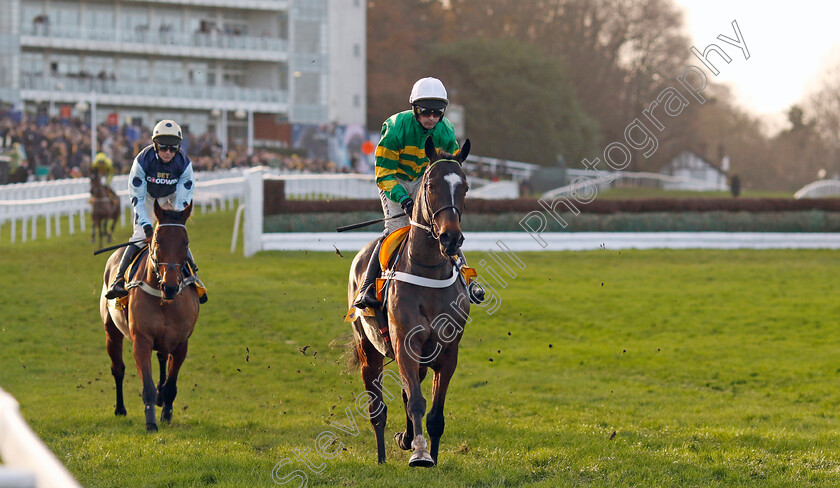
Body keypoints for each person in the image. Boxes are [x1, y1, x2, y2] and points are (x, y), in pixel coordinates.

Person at [353, 77, 484, 309]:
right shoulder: (395, 127)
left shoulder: (445, 130)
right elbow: (384, 174)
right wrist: (403, 199)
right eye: (426, 111)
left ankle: (468, 280)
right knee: (396, 229)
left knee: (445, 227)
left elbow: (451, 167)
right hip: (396, 180)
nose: (432, 118)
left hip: (425, 180)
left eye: (438, 112)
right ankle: (367, 287)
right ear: (414, 108)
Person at [104, 120, 206, 303]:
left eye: (173, 149)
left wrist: (172, 224)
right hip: (147, 197)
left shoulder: (184, 164)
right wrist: (147, 227)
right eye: (163, 148)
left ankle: (193, 275)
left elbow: (183, 202)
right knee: (138, 235)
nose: (168, 152)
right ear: (155, 145)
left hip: (173, 196)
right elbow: (138, 199)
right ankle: (118, 279)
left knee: (175, 235)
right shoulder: (142, 162)